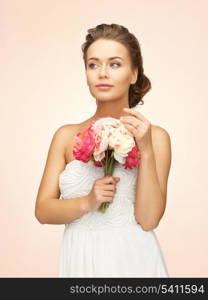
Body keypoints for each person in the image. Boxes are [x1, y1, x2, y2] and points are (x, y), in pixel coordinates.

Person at [35, 23, 171, 277]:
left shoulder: (156, 138)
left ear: (133, 74)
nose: (102, 74)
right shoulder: (65, 136)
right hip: (81, 259)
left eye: (115, 64)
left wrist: (146, 150)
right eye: (93, 64)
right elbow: (42, 211)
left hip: (134, 261)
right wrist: (88, 201)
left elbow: (149, 220)